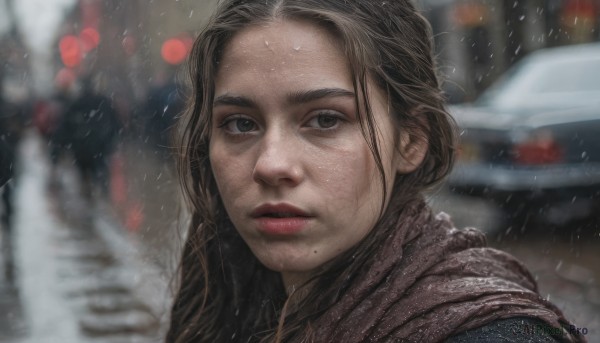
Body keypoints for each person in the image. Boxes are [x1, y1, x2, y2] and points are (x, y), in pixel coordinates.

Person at [167, 1, 585, 342]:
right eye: (240, 123)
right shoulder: (224, 296)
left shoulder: (491, 334)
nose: (271, 164)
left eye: (325, 120)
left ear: (410, 140)